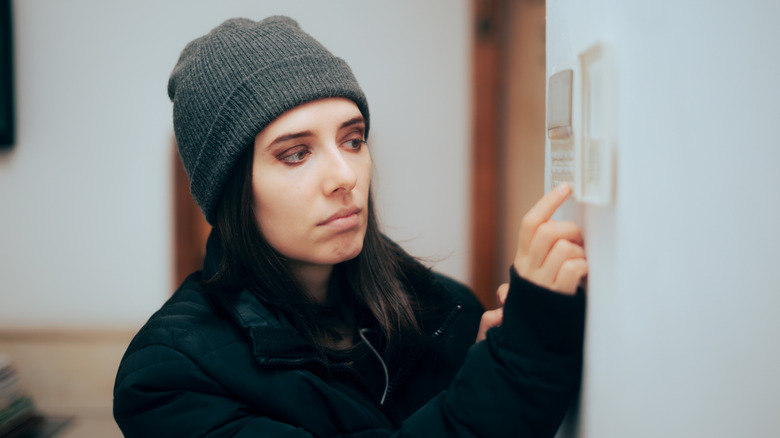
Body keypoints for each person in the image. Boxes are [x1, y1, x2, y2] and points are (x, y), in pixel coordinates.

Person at [113, 16, 587, 437]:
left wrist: (505, 359)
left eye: (353, 139)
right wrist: (514, 366)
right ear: (231, 191)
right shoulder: (168, 375)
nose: (345, 176)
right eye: (295, 153)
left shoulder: (447, 310)